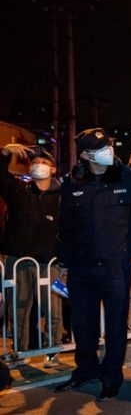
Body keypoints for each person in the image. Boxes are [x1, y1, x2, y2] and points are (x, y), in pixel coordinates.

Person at [55, 128, 131, 401]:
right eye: (100, 148)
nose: (108, 151)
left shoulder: (127, 178)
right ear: (84, 155)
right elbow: (66, 226)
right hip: (81, 268)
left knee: (116, 326)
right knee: (83, 325)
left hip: (115, 267)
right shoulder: (73, 183)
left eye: (108, 145)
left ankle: (111, 377)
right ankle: (85, 371)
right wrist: (64, 262)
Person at [0, 144, 63, 361]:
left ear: (53, 169)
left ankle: (53, 348)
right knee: (18, 308)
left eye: (44, 163)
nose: (38, 166)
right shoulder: (19, 192)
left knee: (53, 308)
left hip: (49, 262)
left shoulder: (61, 198)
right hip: (18, 261)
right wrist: (5, 153)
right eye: (35, 162)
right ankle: (19, 351)